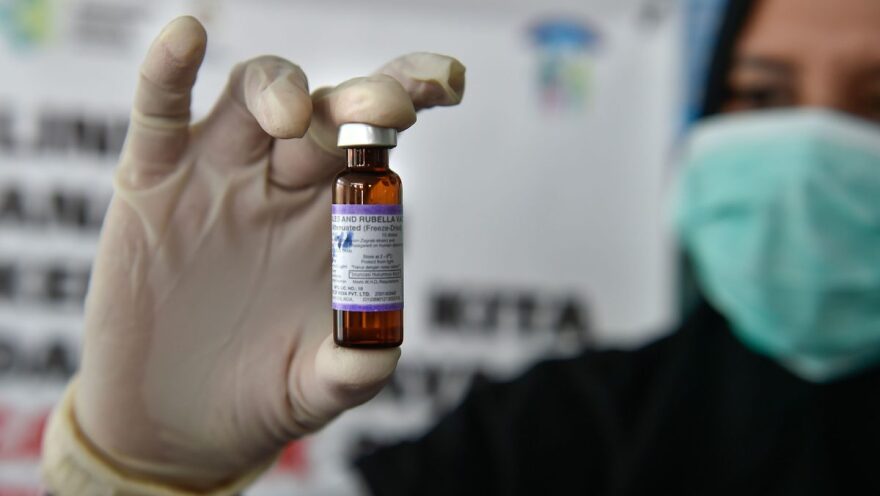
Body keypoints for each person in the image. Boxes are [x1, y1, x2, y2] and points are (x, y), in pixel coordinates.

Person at [39, 0, 880, 494]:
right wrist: (136, 473)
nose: (813, 152)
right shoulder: (562, 433)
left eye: (874, 103)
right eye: (760, 96)